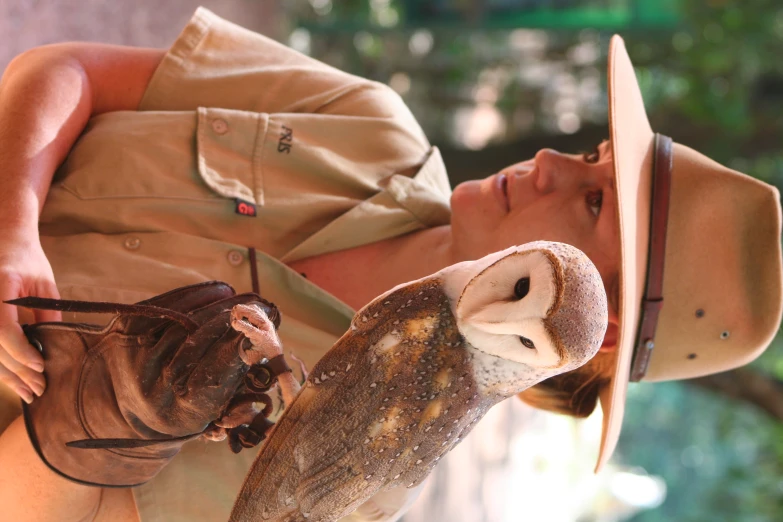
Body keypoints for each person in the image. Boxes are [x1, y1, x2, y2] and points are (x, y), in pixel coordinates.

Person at [0, 7, 780, 522]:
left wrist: (78, 438)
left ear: (592, 332)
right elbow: (70, 70)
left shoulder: (343, 468)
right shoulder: (371, 125)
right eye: (588, 158)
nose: (547, 163)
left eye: (591, 204)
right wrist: (13, 228)